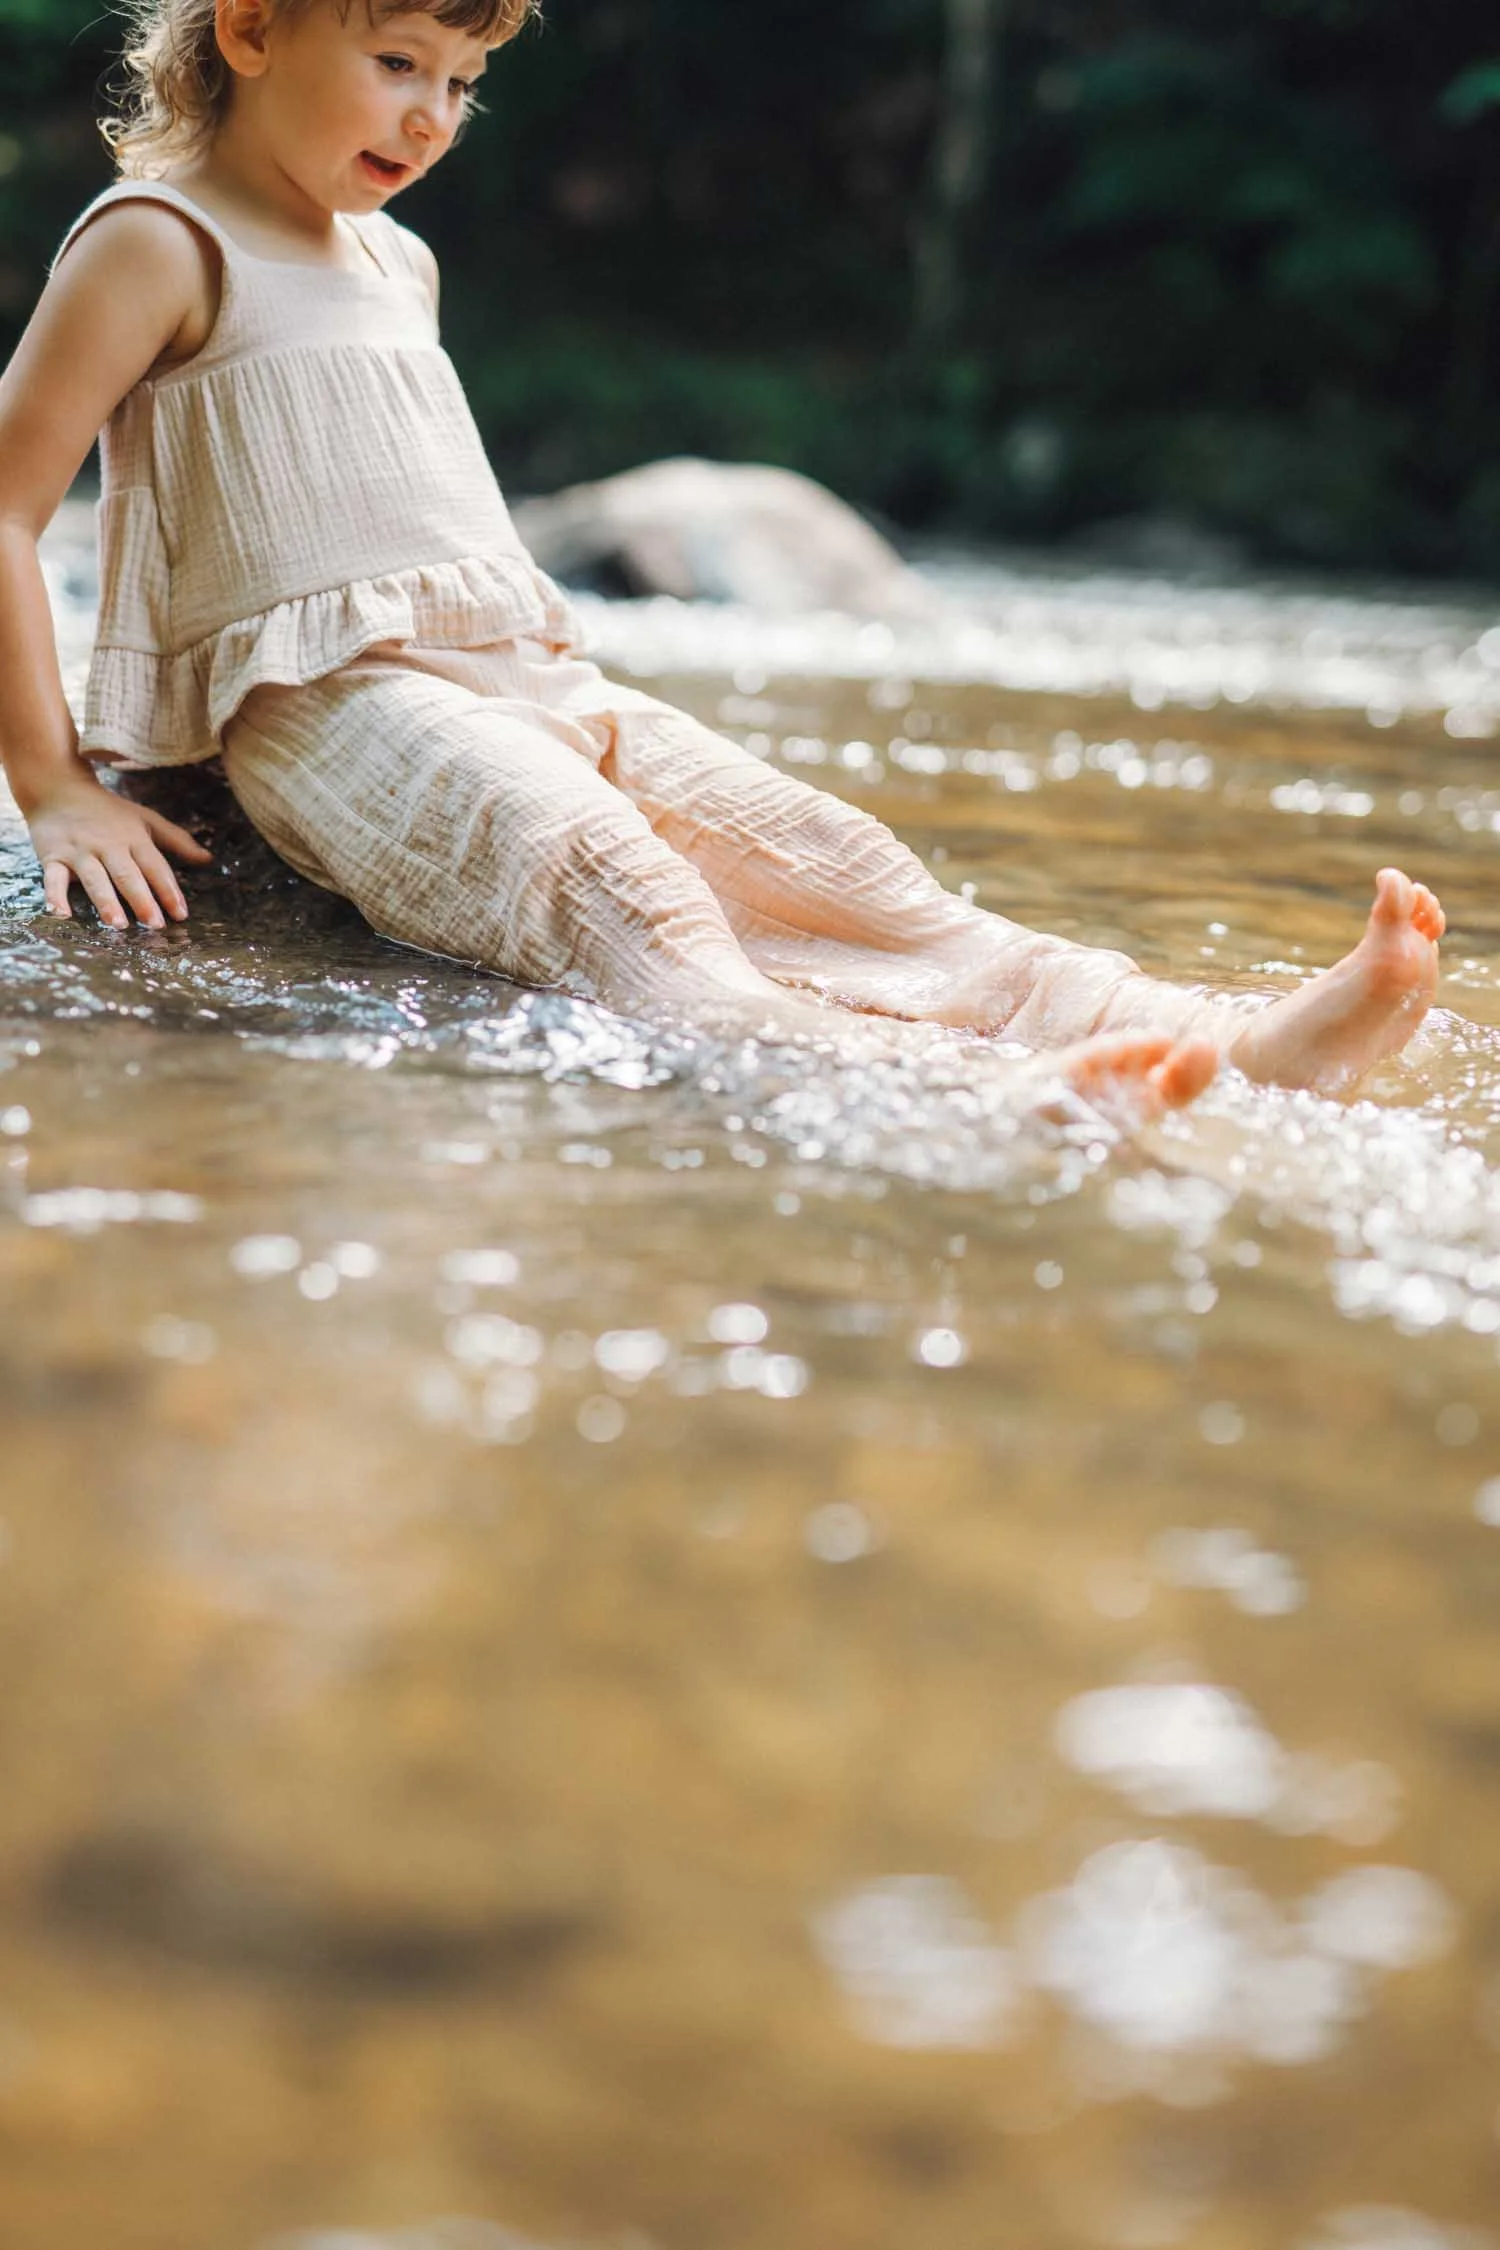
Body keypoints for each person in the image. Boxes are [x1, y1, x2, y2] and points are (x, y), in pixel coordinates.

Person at [0, 0, 1446, 1122]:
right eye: (397, 61)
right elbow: (8, 508)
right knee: (602, 876)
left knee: (837, 862)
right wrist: (56, 786)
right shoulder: (158, 239)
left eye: (461, 80)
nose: (434, 113)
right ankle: (981, 1103)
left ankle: (1220, 1039)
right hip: (326, 708)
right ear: (250, 28)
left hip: (524, 674)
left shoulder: (399, 262)